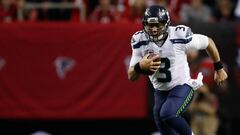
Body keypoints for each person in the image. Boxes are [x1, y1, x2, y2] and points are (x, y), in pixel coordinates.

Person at [127, 5, 228, 135]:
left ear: (166, 24)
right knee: (164, 127)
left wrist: (218, 68)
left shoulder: (179, 35)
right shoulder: (139, 40)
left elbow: (208, 42)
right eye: (150, 25)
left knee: (168, 114)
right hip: (160, 92)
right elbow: (131, 75)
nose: (153, 29)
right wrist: (139, 67)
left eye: (158, 25)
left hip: (181, 86)